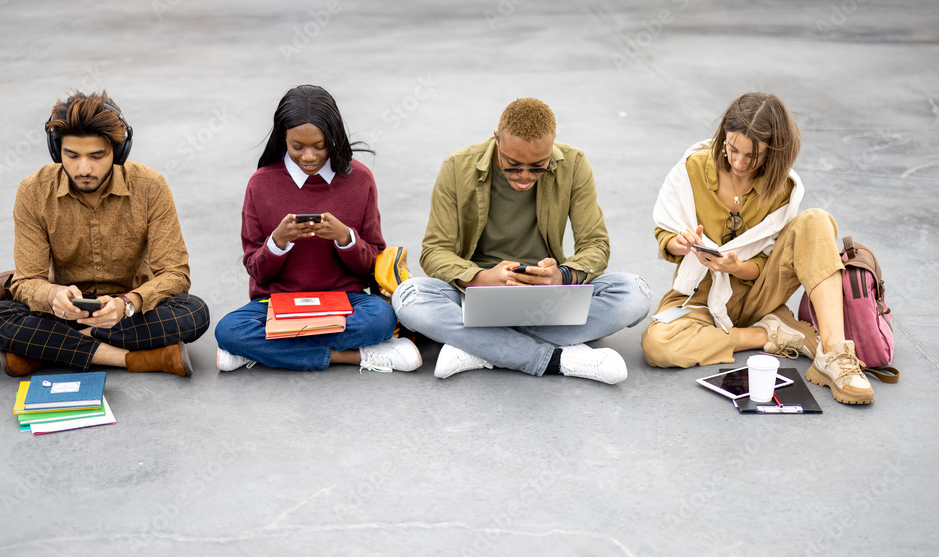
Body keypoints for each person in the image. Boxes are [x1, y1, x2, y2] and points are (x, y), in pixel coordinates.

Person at [392, 97, 651, 383]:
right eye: (513, 165)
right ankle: (559, 359)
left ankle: (479, 347)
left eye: (538, 166)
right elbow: (434, 251)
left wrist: (561, 277)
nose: (525, 177)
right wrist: (482, 278)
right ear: (496, 139)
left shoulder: (574, 164)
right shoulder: (457, 166)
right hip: (475, 296)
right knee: (408, 297)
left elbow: (595, 245)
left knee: (634, 292)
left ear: (552, 145)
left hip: (549, 300)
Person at [641, 92, 874, 404]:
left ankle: (833, 353)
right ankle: (769, 334)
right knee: (657, 344)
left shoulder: (782, 187)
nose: (738, 162)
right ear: (723, 136)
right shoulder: (692, 170)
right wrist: (678, 242)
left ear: (773, 153)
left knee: (816, 221)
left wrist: (736, 267)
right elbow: (664, 230)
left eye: (752, 156)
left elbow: (769, 261)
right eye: (732, 148)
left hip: (760, 292)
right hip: (699, 296)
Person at [0, 91, 209, 377]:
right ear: (56, 151)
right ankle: (133, 359)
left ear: (119, 151)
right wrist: (53, 295)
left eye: (97, 156)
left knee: (193, 313)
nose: (84, 169)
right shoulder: (33, 191)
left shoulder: (150, 186)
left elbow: (176, 275)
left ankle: (44, 350)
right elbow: (26, 282)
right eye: (71, 156)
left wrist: (127, 304)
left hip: (127, 314)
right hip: (63, 314)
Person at [213, 84, 421, 373]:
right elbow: (256, 269)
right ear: (282, 138)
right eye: (297, 146)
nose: (308, 156)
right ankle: (355, 356)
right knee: (229, 330)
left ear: (333, 138)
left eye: (319, 146)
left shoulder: (360, 180)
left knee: (381, 318)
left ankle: (265, 351)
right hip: (276, 303)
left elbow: (371, 263)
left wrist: (345, 238)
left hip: (346, 301)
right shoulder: (261, 183)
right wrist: (278, 242)